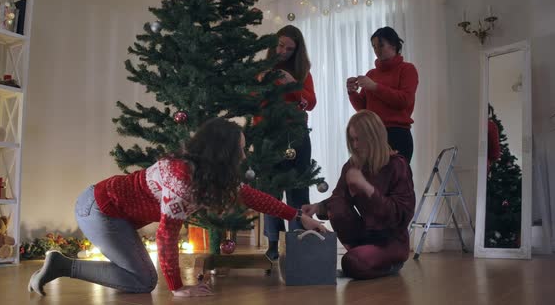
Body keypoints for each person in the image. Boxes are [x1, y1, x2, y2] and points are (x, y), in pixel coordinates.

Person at [27, 118, 326, 297]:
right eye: (240, 149)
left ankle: (62, 264)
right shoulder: (183, 177)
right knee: (144, 281)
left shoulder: (206, 174)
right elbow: (166, 236)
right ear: (222, 152)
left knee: (139, 276)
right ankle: (63, 265)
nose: (244, 156)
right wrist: (177, 287)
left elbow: (252, 197)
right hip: (100, 208)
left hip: (116, 213)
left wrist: (299, 217)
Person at [302, 110, 415, 279]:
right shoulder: (352, 165)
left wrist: (366, 188)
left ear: (374, 137)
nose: (355, 145)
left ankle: (381, 262)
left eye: (359, 139)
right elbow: (338, 198)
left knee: (351, 263)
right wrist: (317, 207)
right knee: (337, 205)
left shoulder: (397, 165)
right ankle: (362, 255)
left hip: (391, 241)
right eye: (352, 140)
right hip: (365, 235)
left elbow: (401, 216)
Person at [255, 25, 317, 260]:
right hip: (267, 137)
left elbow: (310, 103)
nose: (283, 51)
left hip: (296, 137)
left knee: (298, 192)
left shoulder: (302, 73)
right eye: (280, 45)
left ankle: (298, 241)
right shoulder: (261, 70)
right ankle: (273, 242)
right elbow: (251, 101)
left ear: (296, 51)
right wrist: (260, 85)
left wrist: (294, 83)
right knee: (270, 193)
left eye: (289, 49)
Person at [346, 26, 418, 163]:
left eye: (381, 45)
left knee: (397, 179)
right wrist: (352, 92)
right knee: (373, 180)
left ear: (394, 45)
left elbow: (404, 100)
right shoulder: (371, 74)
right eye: (374, 46)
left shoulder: (407, 69)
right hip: (372, 134)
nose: (377, 50)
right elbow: (363, 108)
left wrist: (374, 87)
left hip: (397, 133)